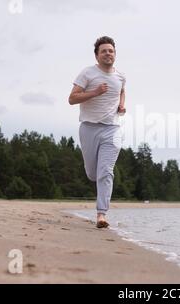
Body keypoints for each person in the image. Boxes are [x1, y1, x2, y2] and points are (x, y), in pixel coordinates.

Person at [68, 36, 126, 228]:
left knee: (106, 171)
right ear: (97, 55)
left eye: (111, 51)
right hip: (89, 128)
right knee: (93, 173)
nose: (108, 54)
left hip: (112, 129)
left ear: (115, 54)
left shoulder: (120, 76)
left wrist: (122, 105)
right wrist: (95, 92)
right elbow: (72, 99)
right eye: (104, 51)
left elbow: (122, 90)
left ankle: (102, 214)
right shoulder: (87, 74)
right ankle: (94, 178)